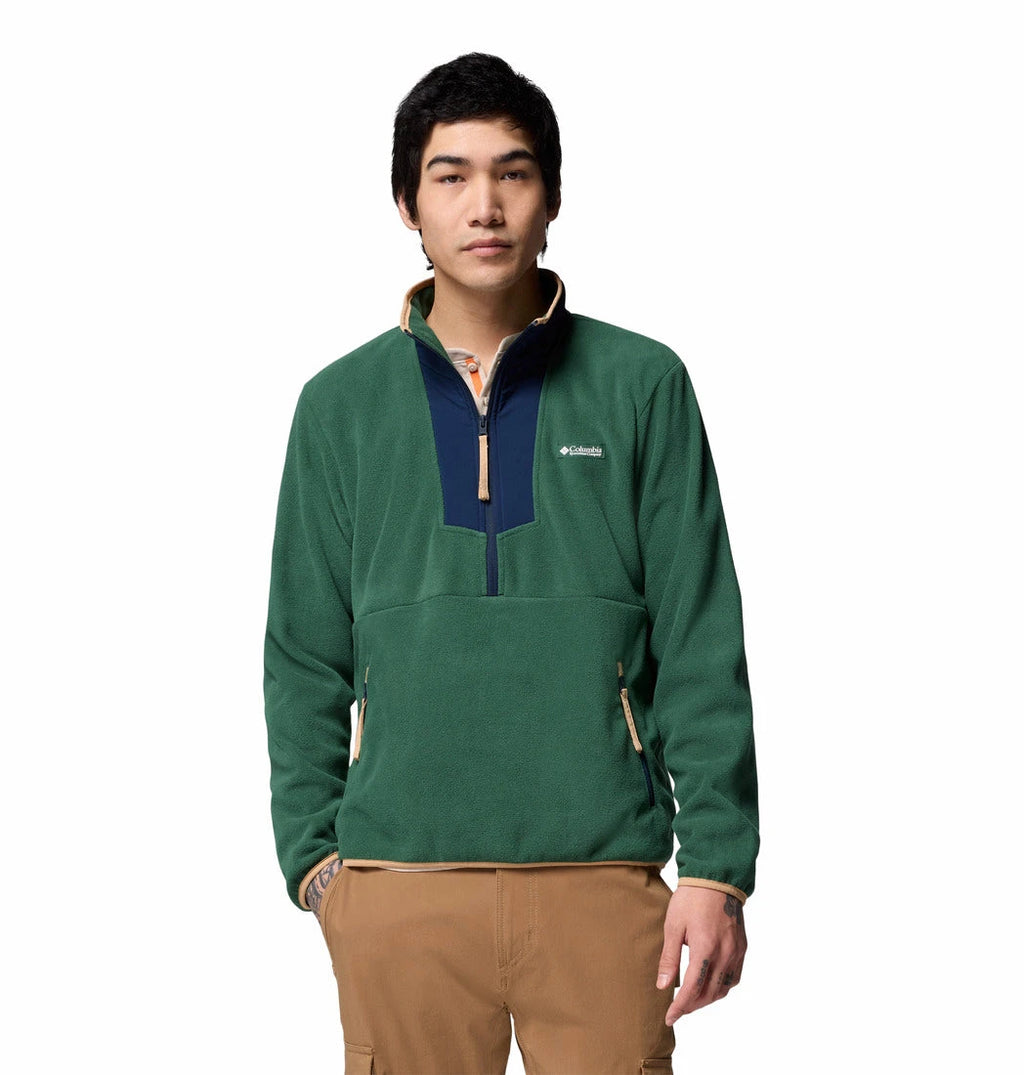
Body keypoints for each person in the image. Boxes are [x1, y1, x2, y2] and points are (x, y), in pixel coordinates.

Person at [264, 52, 759, 1074]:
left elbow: (699, 632)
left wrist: (717, 867)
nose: (483, 205)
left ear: (553, 197)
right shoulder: (339, 406)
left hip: (605, 881)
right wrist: (317, 866)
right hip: (397, 884)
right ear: (407, 203)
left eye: (513, 172)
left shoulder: (642, 384)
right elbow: (302, 651)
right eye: (450, 175)